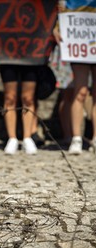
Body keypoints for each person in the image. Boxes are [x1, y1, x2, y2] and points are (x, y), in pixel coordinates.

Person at [53, 0, 96, 154]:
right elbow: (61, 10)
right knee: (81, 91)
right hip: (78, 40)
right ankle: (76, 138)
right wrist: (57, 28)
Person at [0, 64, 38, 155]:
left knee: (28, 98)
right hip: (8, 58)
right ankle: (12, 138)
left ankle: (27, 138)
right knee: (10, 98)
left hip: (30, 58)